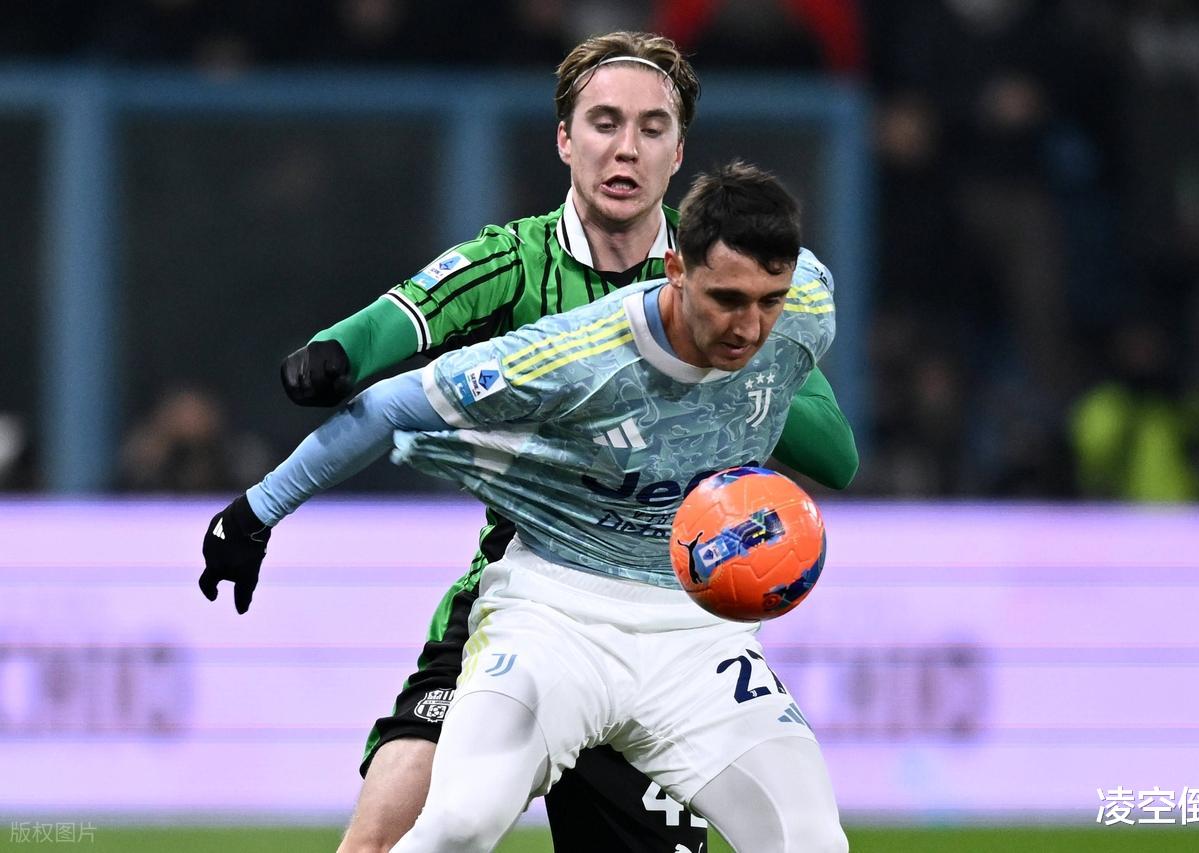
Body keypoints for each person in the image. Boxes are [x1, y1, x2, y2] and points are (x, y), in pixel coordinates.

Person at [270, 31, 857, 853]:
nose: (626, 148)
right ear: (565, 140)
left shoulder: (732, 287)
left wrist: (720, 365)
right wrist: (335, 354)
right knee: (394, 835)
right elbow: (395, 326)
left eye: (651, 128)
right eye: (605, 123)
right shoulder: (513, 263)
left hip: (670, 623)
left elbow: (836, 457)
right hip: (536, 603)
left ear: (678, 152)